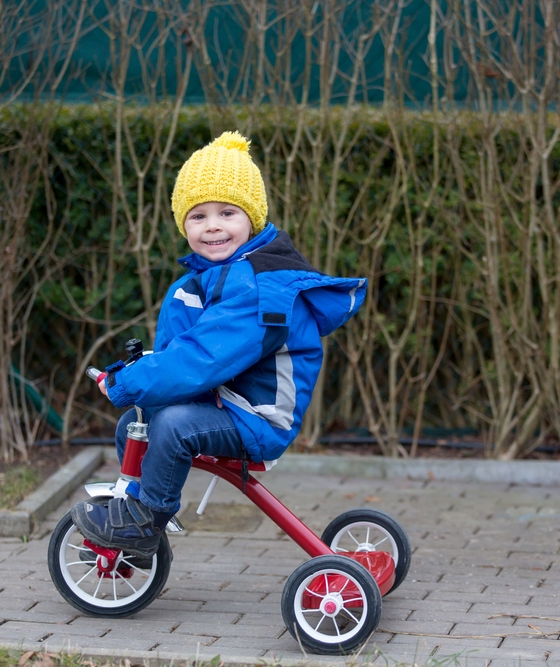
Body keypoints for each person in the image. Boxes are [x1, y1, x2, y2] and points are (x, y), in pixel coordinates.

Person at [70, 131, 366, 557]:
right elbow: (180, 355)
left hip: (258, 418)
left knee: (171, 426)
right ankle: (136, 508)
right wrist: (140, 377)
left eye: (227, 212)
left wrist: (127, 381)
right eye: (198, 216)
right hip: (225, 402)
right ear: (182, 224)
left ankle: (144, 520)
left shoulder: (256, 285)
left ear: (253, 219)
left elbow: (203, 358)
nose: (212, 226)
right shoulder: (200, 282)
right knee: (137, 423)